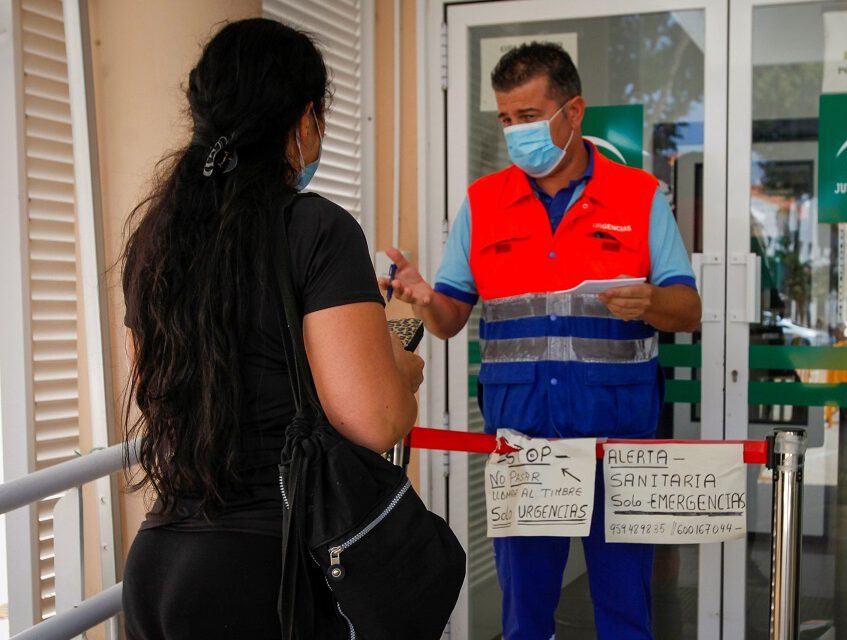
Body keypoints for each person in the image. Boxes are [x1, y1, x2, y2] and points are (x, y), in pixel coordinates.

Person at [119, 18, 424, 639]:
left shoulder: (157, 237)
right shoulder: (315, 229)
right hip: (268, 570)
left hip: (158, 564)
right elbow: (373, 419)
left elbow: (156, 390)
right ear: (305, 119)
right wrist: (400, 363)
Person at [386, 42, 701, 640]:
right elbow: (451, 319)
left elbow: (688, 310)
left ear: (573, 111)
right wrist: (426, 298)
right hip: (525, 445)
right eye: (505, 119)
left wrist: (652, 302)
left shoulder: (639, 197)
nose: (515, 132)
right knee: (525, 617)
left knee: (625, 612)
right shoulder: (483, 204)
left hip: (620, 444)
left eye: (528, 118)